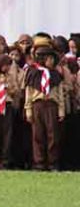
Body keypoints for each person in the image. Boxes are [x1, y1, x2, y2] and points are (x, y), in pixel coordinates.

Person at [24, 42, 65, 171]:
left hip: (52, 106)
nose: (51, 61)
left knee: (53, 135)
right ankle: (39, 162)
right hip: (38, 105)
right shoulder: (33, 73)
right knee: (38, 135)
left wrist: (61, 110)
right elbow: (28, 93)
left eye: (53, 59)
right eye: (49, 58)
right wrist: (28, 110)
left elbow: (59, 94)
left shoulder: (56, 75)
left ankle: (52, 162)